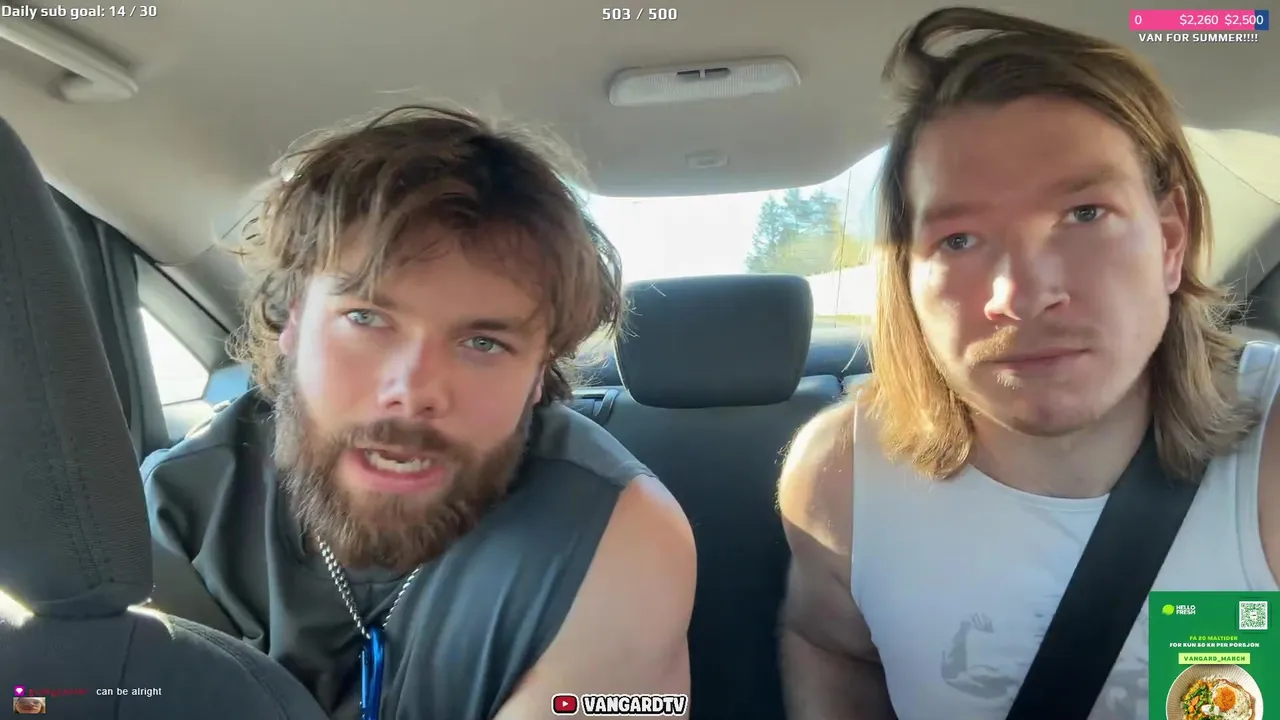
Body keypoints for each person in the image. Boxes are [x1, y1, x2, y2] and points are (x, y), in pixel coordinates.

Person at [777, 7, 1279, 720]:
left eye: (1084, 214)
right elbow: (828, 645)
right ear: (908, 278)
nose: (1020, 295)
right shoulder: (841, 477)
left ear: (1171, 240)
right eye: (958, 240)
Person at [143, 104, 695, 719]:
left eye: (483, 343)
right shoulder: (176, 511)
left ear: (539, 373)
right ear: (293, 322)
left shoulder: (617, 536)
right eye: (366, 318)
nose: (412, 390)